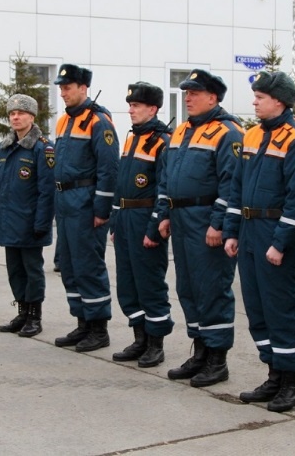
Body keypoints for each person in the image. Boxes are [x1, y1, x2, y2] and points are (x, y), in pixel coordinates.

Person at [223, 71, 295, 412]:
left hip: (275, 234)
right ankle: (273, 375)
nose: (254, 102)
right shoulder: (251, 136)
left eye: (260, 97)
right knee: (257, 309)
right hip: (249, 231)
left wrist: (279, 243)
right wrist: (231, 230)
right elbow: (237, 186)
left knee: (281, 308)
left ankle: (290, 383)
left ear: (278, 101)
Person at [157, 69, 244, 387]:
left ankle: (217, 359)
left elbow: (232, 183)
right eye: (186, 93)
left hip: (206, 220)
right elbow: (166, 178)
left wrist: (218, 224)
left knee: (212, 289)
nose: (188, 98)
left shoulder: (228, 132)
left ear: (213, 96)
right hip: (181, 221)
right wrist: (165, 213)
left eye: (194, 93)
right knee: (189, 289)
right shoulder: (181, 132)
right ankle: (200, 351)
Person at [52, 64, 119, 352]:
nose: (63, 92)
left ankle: (99, 328)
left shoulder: (98, 121)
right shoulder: (64, 121)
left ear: (83, 88)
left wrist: (101, 210)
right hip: (65, 202)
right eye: (61, 88)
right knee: (68, 265)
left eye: (68, 87)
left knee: (88, 265)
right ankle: (82, 323)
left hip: (85, 201)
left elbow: (109, 169)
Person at [110, 82, 174, 367]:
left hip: (144, 219)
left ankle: (155, 343)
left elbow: (164, 187)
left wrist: (154, 226)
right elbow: (121, 182)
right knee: (128, 282)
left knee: (149, 282)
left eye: (136, 106)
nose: (131, 110)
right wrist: (114, 220)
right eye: (130, 105)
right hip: (125, 219)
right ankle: (139, 338)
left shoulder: (163, 140)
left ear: (153, 108)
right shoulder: (132, 137)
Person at [0, 94, 56, 338]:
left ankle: (34, 317)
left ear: (32, 116)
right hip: (9, 222)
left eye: (21, 113)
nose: (16, 117)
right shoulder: (5, 147)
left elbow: (46, 190)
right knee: (15, 270)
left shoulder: (42, 147)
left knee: (32, 270)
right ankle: (21, 312)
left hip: (30, 223)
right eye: (12, 113)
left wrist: (41, 223)